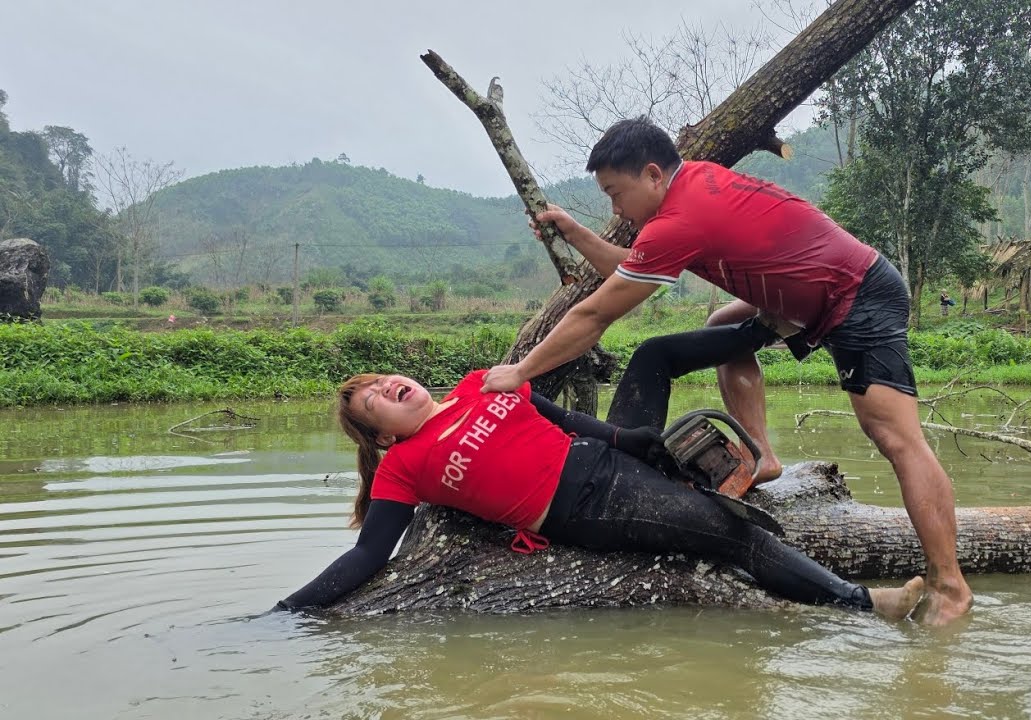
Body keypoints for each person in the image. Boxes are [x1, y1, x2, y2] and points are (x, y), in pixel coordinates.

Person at [481, 116, 972, 625]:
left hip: (858, 294)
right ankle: (764, 455)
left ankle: (951, 586)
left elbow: (596, 313)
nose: (615, 207)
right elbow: (628, 268)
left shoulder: (682, 220)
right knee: (723, 324)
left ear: (652, 175)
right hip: (796, 303)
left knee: (895, 437)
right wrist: (577, 232)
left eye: (615, 193)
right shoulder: (691, 186)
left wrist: (521, 372)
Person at [276, 369, 925, 618]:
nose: (391, 387)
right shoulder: (403, 469)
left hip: (606, 466)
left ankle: (839, 594)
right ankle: (864, 604)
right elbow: (368, 557)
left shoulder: (483, 385)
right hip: (583, 508)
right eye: (376, 402)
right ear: (380, 438)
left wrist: (633, 439)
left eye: (387, 380)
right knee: (734, 535)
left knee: (730, 515)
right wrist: (290, 610)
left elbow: (565, 421)